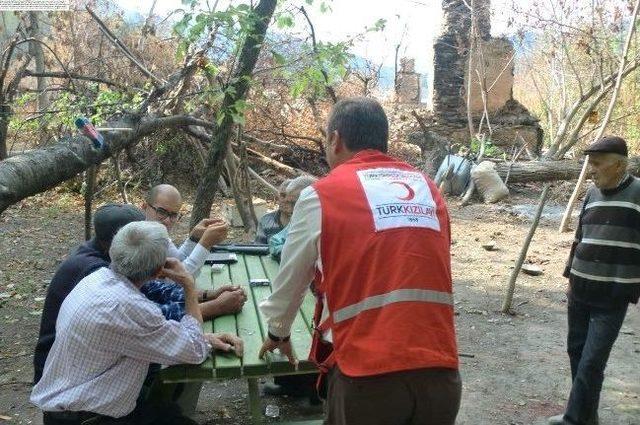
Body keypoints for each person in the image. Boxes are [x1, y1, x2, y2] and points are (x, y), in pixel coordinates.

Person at [258, 97, 461, 424]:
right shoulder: (427, 188)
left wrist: (279, 331)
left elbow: (290, 280)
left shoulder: (322, 195)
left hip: (367, 377)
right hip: (440, 375)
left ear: (335, 140)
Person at [31, 221, 243, 425]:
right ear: (160, 270)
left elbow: (137, 335)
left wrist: (205, 338)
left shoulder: (96, 280)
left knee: (170, 412)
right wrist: (187, 283)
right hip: (88, 415)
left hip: (71, 403)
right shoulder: (129, 307)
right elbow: (194, 351)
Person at [548, 136, 640, 425]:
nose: (591, 170)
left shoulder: (638, 193)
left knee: (591, 361)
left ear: (618, 165)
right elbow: (579, 238)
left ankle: (572, 420)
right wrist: (569, 276)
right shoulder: (591, 193)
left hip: (612, 294)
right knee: (576, 352)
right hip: (581, 288)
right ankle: (586, 417)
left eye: (597, 165)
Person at [33, 203, 146, 384]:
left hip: (69, 362)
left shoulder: (94, 252)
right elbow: (140, 318)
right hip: (62, 376)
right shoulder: (95, 271)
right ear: (116, 242)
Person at [141, 184, 247, 320]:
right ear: (144, 207)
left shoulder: (154, 232)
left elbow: (173, 269)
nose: (167, 221)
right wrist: (217, 306)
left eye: (173, 215)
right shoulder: (140, 239)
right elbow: (176, 281)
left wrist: (194, 238)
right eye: (161, 212)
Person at [260, 176, 319, 402]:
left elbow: (294, 263)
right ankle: (290, 384)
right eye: (290, 202)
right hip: (307, 290)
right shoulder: (296, 219)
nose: (291, 207)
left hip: (319, 292)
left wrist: (278, 330)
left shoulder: (315, 214)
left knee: (306, 331)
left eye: (296, 203)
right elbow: (278, 247)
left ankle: (312, 392)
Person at [255, 179, 292, 244]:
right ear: (277, 198)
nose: (286, 200)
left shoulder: (305, 221)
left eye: (291, 196)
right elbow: (259, 249)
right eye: (283, 195)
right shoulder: (265, 221)